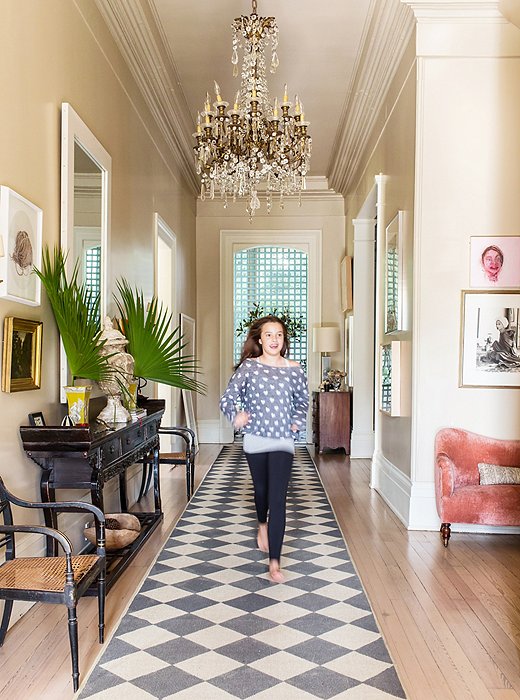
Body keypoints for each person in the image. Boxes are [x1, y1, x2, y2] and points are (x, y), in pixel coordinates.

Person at [219, 316, 309, 583]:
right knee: (261, 491)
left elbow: (303, 401)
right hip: (255, 439)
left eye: (279, 335)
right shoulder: (249, 367)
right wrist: (236, 416)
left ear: (284, 340)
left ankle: (274, 564)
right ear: (260, 340)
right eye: (268, 335)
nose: (274, 340)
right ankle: (261, 524)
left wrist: (296, 423)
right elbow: (228, 397)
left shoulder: (294, 369)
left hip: (283, 440)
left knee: (278, 498)